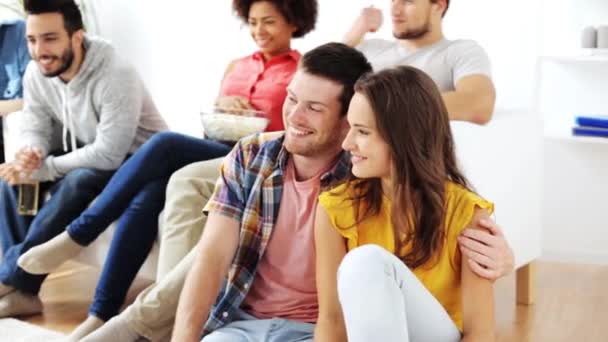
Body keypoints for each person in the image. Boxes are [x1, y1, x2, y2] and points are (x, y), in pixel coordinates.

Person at [17, 0, 318, 340]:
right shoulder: (237, 65)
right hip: (221, 146)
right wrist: (224, 105)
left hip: (261, 154)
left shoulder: (304, 69)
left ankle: (79, 234)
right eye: (252, 22)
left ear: (293, 23)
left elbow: (306, 119)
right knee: (151, 189)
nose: (259, 31)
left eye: (269, 22)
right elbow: (217, 121)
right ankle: (102, 313)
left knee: (165, 144)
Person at [0, 0, 167, 320]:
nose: (39, 51)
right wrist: (32, 156)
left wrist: (45, 168)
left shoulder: (116, 72)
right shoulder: (38, 72)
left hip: (137, 161)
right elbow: (35, 126)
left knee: (79, 180)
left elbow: (109, 153)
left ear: (77, 37)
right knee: (12, 184)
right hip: (89, 151)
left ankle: (11, 277)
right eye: (32, 40)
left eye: (50, 39)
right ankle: (24, 291)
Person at [315, 66, 495, 342]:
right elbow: (331, 320)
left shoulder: (467, 213)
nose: (347, 142)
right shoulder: (335, 208)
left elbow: (480, 333)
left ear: (404, 137)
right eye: (350, 128)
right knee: (363, 263)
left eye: (362, 132)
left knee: (366, 261)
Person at [344, 0, 496, 125]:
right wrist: (356, 32)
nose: (395, 11)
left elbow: (479, 104)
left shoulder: (459, 51)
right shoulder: (369, 48)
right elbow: (324, 80)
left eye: (407, 2)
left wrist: (389, 110)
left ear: (439, 5)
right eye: (392, 0)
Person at [0, 19, 31, 163]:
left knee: (16, 120)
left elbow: (37, 98)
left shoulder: (18, 31)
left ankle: (16, 183)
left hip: (17, 116)